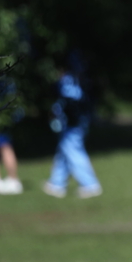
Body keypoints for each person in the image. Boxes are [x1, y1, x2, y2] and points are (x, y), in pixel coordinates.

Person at [43, 68, 102, 198]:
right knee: (63, 153)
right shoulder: (76, 80)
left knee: (74, 152)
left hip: (73, 125)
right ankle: (57, 184)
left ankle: (90, 184)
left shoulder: (69, 84)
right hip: (73, 124)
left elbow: (69, 104)